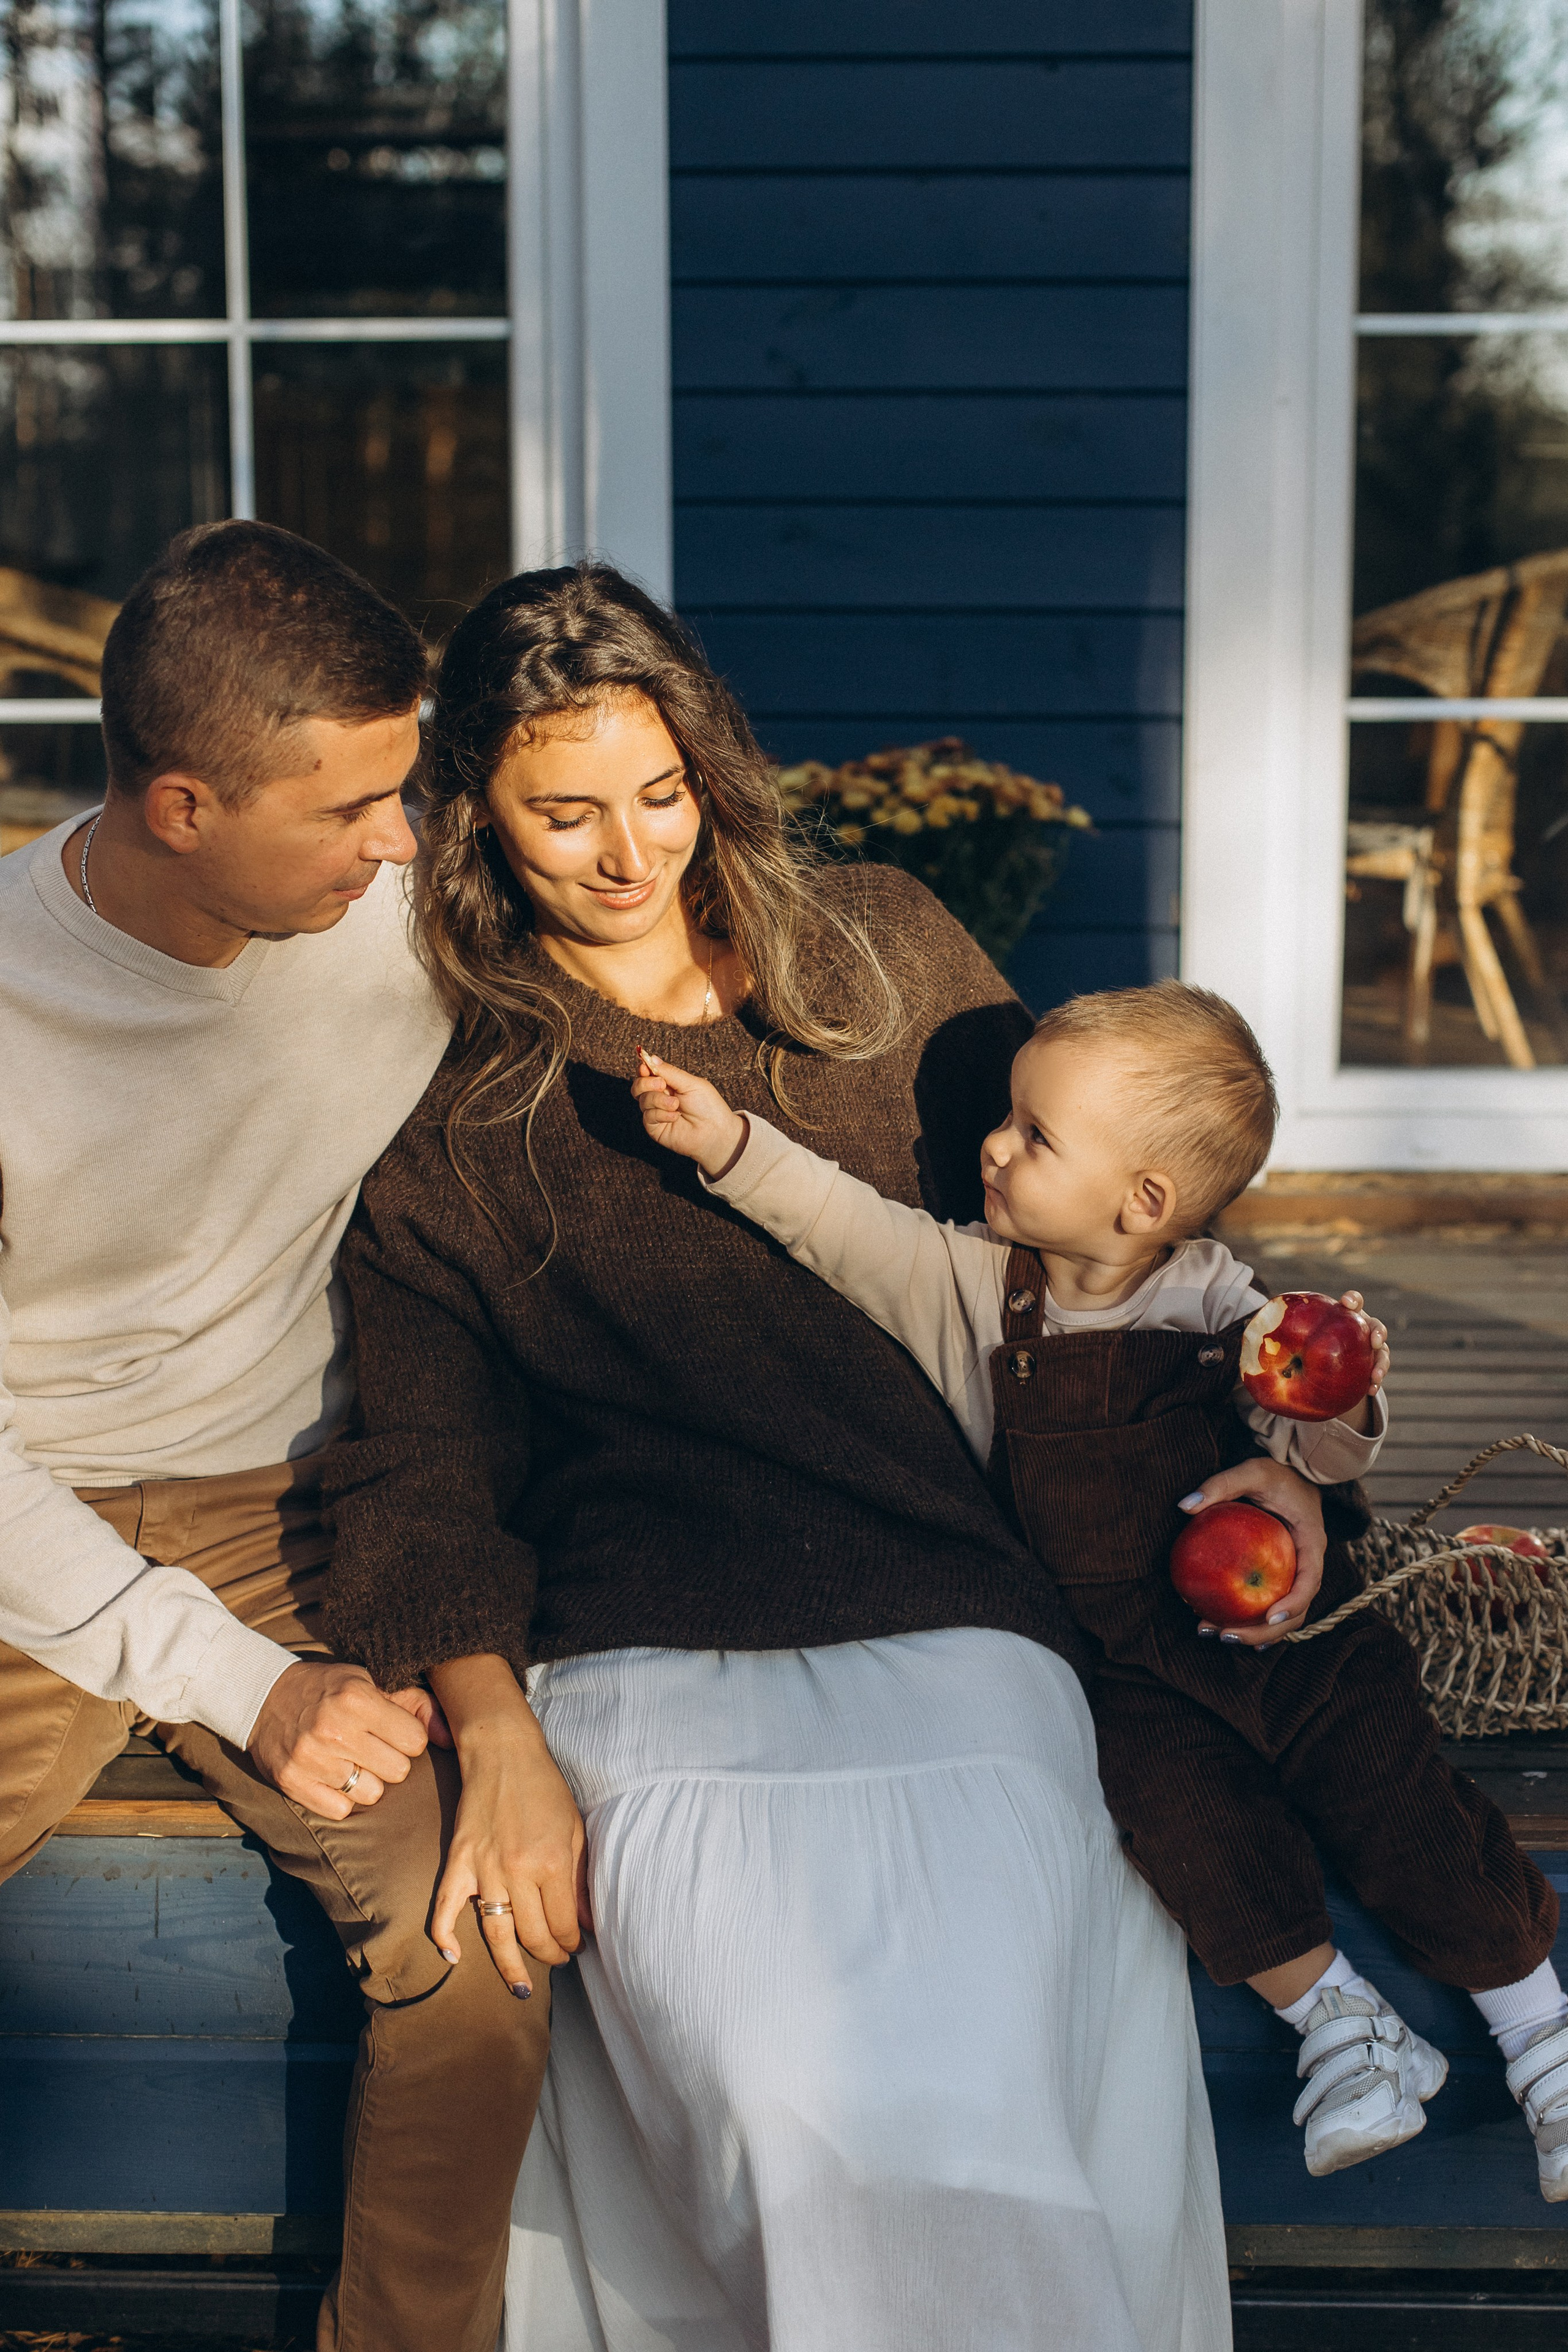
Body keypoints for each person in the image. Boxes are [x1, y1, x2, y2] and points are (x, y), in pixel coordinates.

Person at [320, 560, 1338, 2351]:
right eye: (566, 816)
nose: (634, 855)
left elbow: (1105, 1249)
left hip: (960, 1617)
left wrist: (1274, 1465)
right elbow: (417, 1458)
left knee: (965, 2098)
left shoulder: (881, 954)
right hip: (639, 1664)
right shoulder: (453, 1089)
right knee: (794, 2115)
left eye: (665, 794)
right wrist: (497, 1737)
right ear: (474, 808)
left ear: (711, 762)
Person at [631, 979, 1568, 2196]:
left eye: (1033, 1135)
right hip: (1127, 1669)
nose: (991, 1143)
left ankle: (1536, 2034)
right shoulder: (971, 1287)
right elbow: (837, 1224)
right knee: (1181, 1831)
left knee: (1398, 1805)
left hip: (1294, 1639)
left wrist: (1334, 1397)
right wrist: (726, 1146)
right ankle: (1343, 2024)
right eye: (1009, 1119)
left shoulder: (1227, 1309)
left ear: (1144, 1202)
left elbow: (1315, 1454)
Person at [0, 521, 554, 2352]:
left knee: (477, 1944)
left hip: (291, 1506)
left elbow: (707, 967)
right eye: (349, 811)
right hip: (23, 1524)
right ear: (178, 806)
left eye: (405, 794)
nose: (401, 845)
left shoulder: (391, 910)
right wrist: (240, 1686)